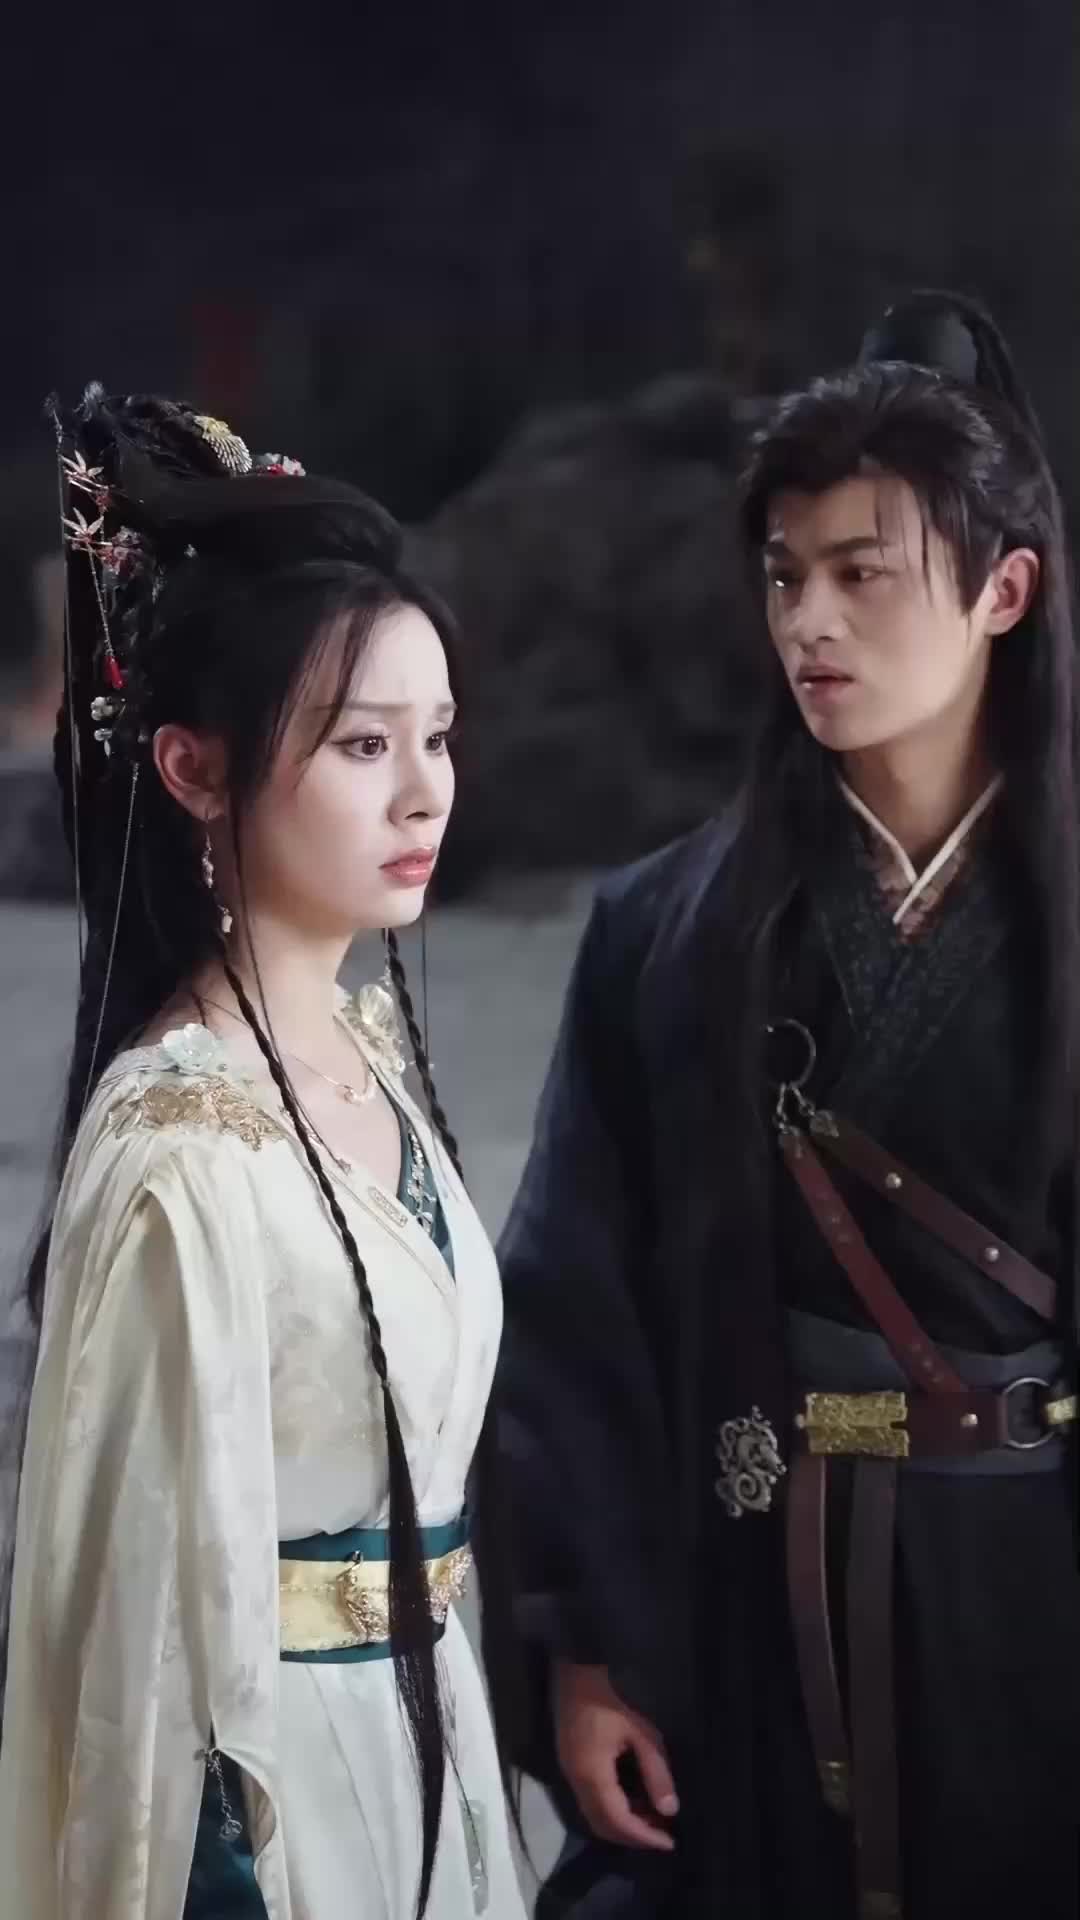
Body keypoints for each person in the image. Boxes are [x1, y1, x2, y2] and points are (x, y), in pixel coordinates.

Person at [491, 293, 1080, 1919]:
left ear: (1005, 591)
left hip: (1029, 1587)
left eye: (862, 572)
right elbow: (577, 1309)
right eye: (783, 575)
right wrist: (586, 1646)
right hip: (747, 1583)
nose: (811, 620)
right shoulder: (663, 932)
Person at [0, 386, 526, 1920]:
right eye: (363, 743)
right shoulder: (179, 1151)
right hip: (284, 1796)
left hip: (433, 1734)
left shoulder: (363, 1048)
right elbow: (143, 1655)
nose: (424, 789)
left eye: (437, 736)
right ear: (193, 769)